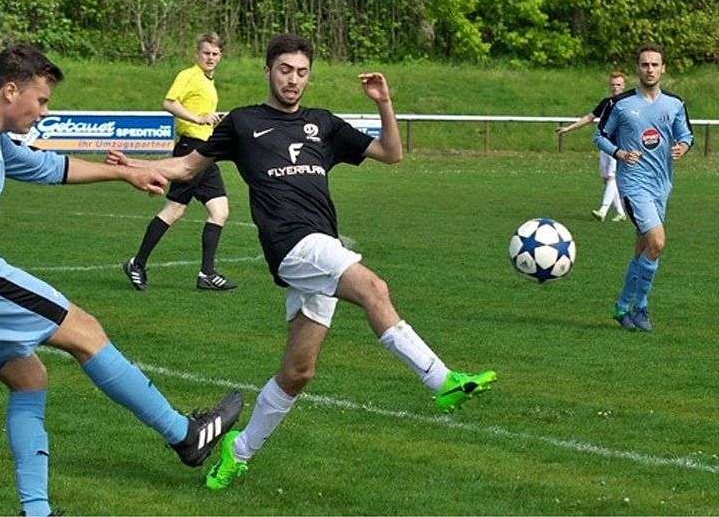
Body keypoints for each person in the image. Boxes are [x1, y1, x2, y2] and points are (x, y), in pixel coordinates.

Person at [107, 33, 497, 490]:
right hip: (291, 245)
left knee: (298, 372)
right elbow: (188, 167)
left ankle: (239, 450)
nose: (294, 80)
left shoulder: (323, 124)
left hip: (322, 247)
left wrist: (384, 102)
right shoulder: (244, 122)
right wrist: (132, 166)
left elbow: (391, 154)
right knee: (375, 288)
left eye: (302, 72)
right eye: (286, 70)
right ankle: (442, 381)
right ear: (268, 71)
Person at [0, 44, 242, 515]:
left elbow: (49, 167)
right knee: (85, 331)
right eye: (42, 100)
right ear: (11, 90)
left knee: (29, 376)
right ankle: (185, 436)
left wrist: (128, 174)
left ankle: (37, 512)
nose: (44, 111)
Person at [122, 33, 237, 292]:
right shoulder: (189, 75)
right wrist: (197, 119)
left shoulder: (208, 81)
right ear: (197, 54)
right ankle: (137, 263)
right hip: (191, 151)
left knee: (219, 211)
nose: (210, 58)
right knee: (174, 210)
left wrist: (211, 120)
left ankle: (207, 273)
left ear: (220, 57)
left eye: (215, 54)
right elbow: (169, 103)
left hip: (206, 152)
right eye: (206, 53)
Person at [594, 43, 693, 333]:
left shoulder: (674, 104)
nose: (649, 69)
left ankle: (623, 307)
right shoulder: (621, 104)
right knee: (658, 243)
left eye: (654, 64)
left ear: (663, 69)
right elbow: (599, 137)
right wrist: (619, 153)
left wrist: (682, 148)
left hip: (662, 185)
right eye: (644, 64)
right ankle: (640, 305)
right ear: (637, 68)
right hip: (632, 184)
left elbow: (686, 135)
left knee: (643, 249)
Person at [556, 71, 629, 222]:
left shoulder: (629, 103)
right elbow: (589, 117)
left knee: (612, 178)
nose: (615, 87)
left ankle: (603, 210)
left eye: (618, 85)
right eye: (613, 84)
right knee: (607, 179)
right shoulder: (606, 103)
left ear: (624, 86)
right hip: (605, 145)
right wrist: (569, 128)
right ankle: (621, 213)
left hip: (620, 147)